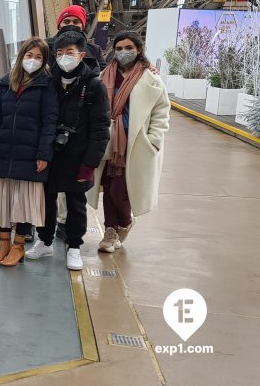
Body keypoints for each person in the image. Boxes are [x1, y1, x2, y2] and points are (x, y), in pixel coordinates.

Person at [33, 30, 111, 271]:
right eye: (59, 53)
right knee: (45, 200)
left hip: (78, 156)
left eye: (69, 53)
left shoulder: (94, 86)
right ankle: (44, 241)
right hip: (50, 153)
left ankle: (74, 246)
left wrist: (90, 163)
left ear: (81, 55)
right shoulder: (48, 81)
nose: (63, 57)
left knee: (76, 203)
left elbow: (101, 128)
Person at [90, 31, 170, 252]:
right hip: (108, 141)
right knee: (108, 186)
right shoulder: (106, 75)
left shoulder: (150, 78)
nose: (123, 52)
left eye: (128, 48)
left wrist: (154, 139)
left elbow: (162, 111)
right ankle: (110, 232)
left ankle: (124, 222)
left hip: (135, 143)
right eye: (119, 48)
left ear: (139, 49)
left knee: (120, 190)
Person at [0, 38, 58, 266]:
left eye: (38, 57)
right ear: (21, 56)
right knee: (4, 200)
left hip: (31, 153)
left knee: (24, 202)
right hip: (6, 149)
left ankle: (18, 247)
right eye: (29, 55)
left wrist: (44, 153)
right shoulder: (7, 83)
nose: (32, 61)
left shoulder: (47, 85)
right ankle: (3, 244)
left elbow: (50, 122)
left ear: (44, 61)